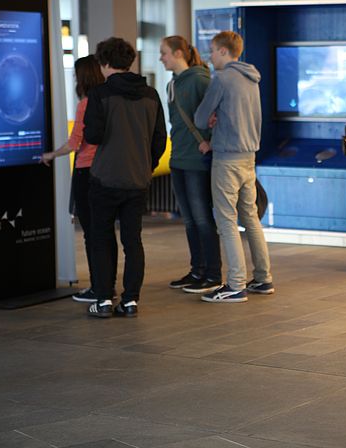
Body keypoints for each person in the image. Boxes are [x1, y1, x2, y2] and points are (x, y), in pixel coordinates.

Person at [83, 37, 167, 318]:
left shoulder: (100, 94)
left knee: (101, 239)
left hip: (104, 178)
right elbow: (160, 138)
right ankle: (130, 300)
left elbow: (93, 136)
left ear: (105, 63)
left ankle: (104, 299)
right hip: (138, 179)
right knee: (133, 241)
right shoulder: (151, 94)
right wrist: (146, 166)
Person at [193, 30, 273, 303]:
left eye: (212, 51)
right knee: (250, 217)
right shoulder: (252, 78)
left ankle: (236, 285)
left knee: (226, 220)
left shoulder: (223, 78)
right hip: (249, 156)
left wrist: (211, 119)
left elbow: (200, 118)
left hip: (227, 159)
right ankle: (263, 278)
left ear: (224, 51)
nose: (210, 56)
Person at [159, 35, 223, 295]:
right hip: (178, 158)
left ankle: (213, 273)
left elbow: (219, 114)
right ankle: (197, 270)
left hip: (197, 160)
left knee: (202, 219)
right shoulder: (173, 84)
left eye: (164, 53)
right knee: (189, 220)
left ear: (178, 53)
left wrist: (211, 142)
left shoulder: (200, 80)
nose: (161, 58)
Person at [41, 55, 107, 303]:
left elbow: (74, 143)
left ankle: (98, 288)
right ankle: (106, 285)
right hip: (106, 171)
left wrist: (50, 155)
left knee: (91, 233)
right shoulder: (108, 101)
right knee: (104, 232)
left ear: (83, 77)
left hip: (86, 172)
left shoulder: (86, 104)